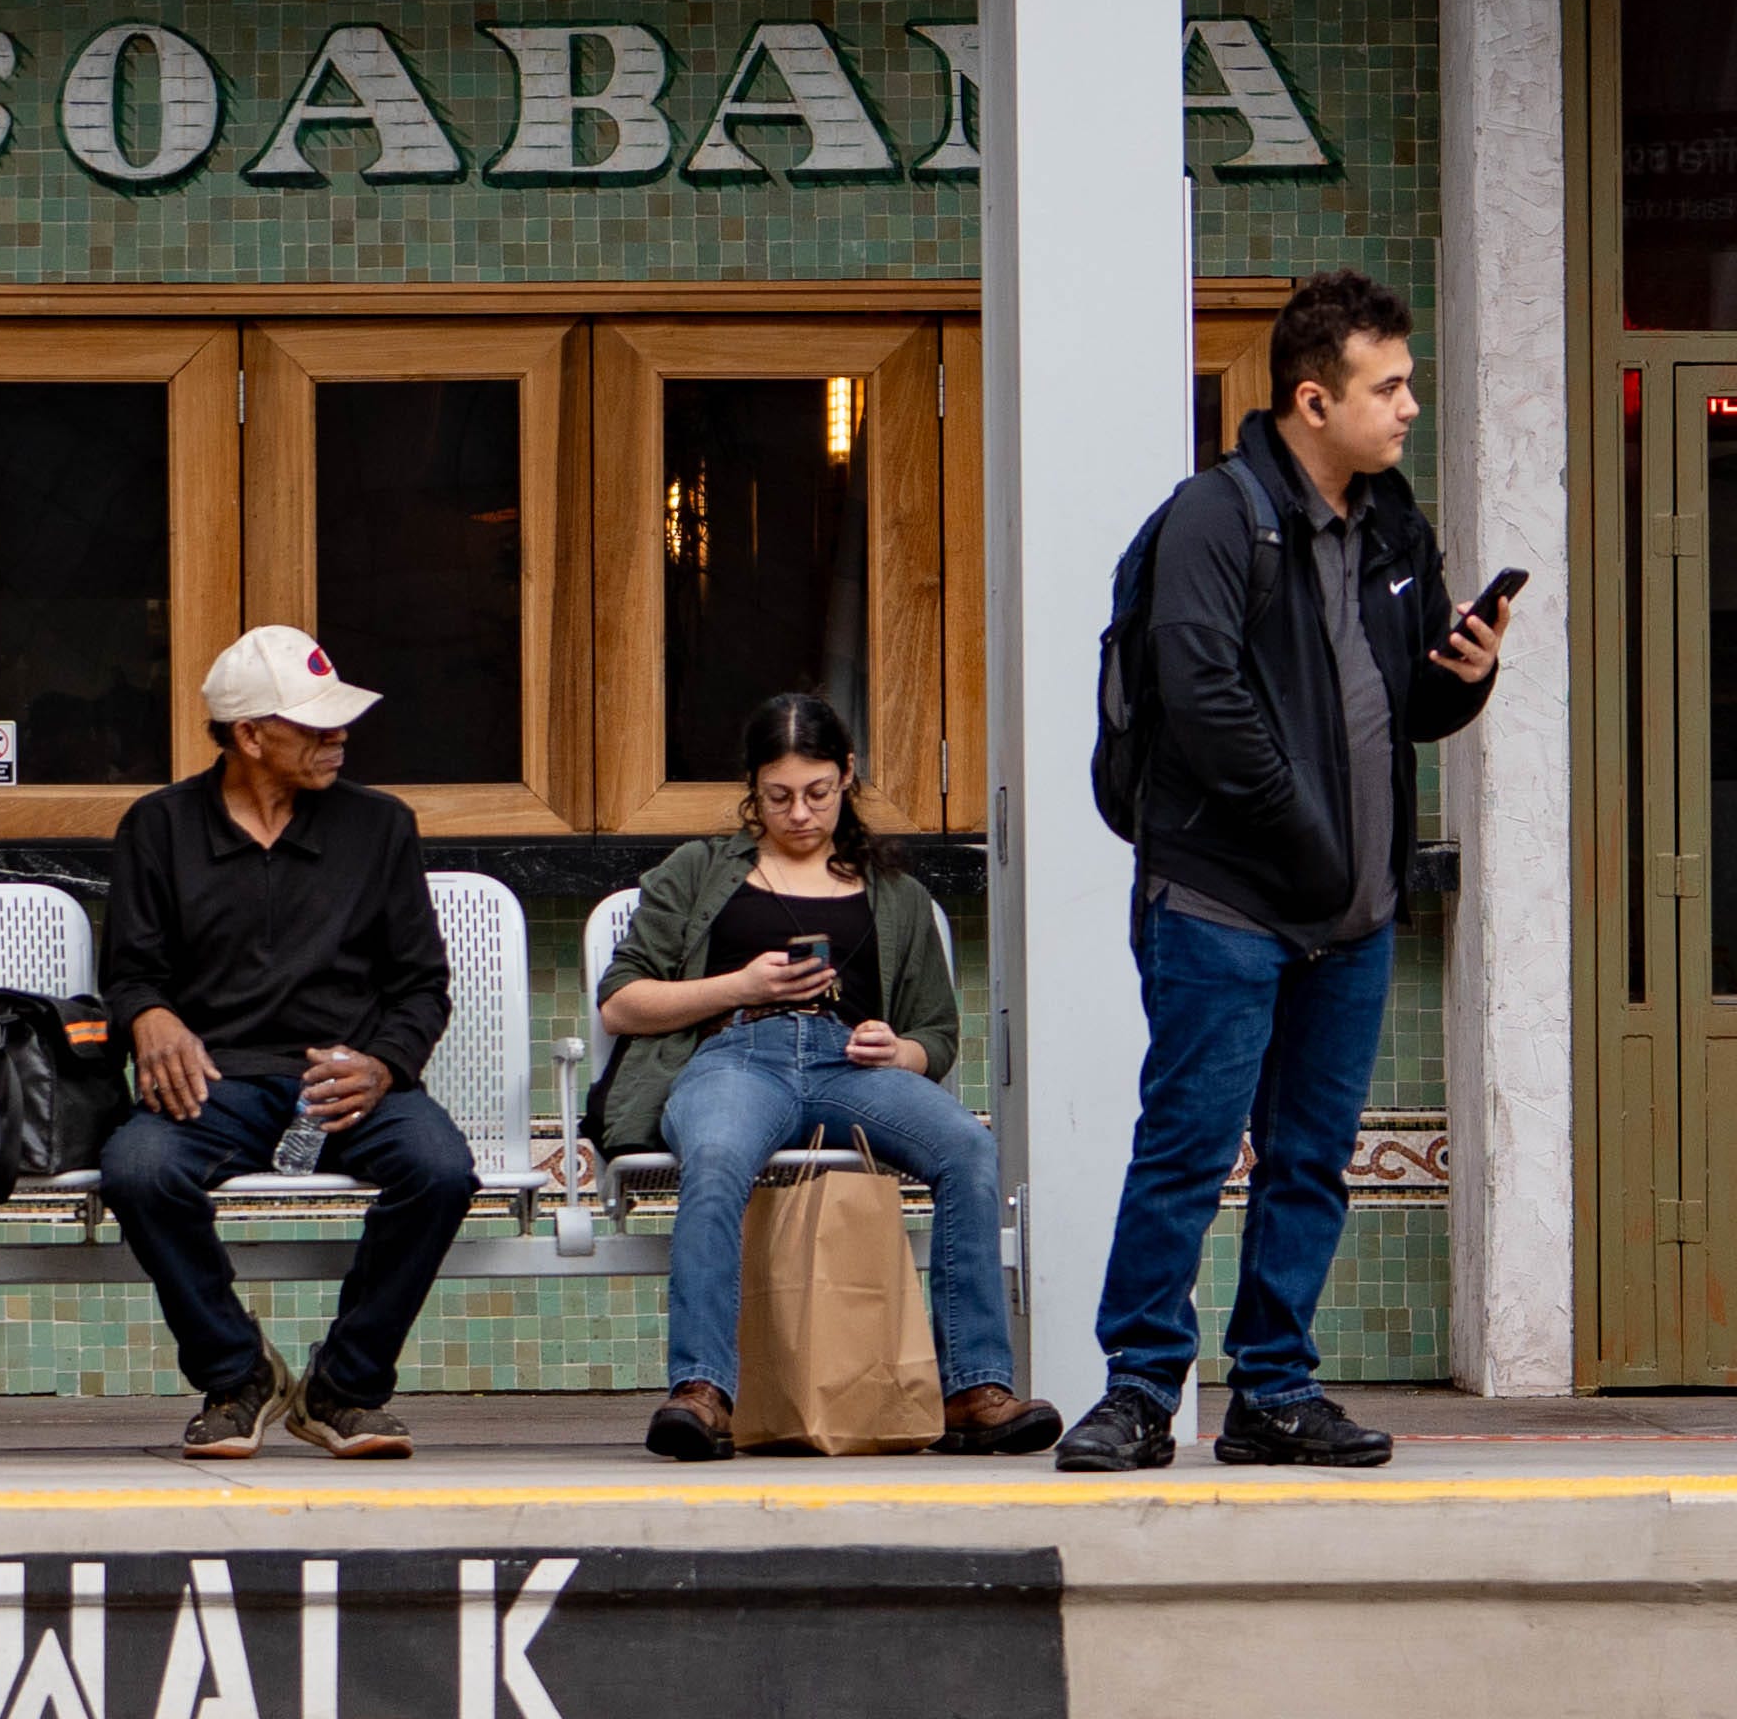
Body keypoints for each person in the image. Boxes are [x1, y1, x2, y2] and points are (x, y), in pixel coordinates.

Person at [1070, 268, 1507, 1474]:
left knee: (1313, 1160)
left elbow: (1397, 708)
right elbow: (1205, 702)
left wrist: (1462, 679)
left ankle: (1272, 1391)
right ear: (1313, 399)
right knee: (1189, 1147)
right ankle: (1140, 1390)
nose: (1410, 405)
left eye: (1408, 382)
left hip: (1352, 913)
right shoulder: (1214, 516)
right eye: (1390, 385)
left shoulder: (1391, 521)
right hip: (1224, 901)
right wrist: (1311, 838)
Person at [603, 690, 1057, 1460]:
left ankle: (973, 1388)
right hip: (735, 1054)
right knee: (714, 1160)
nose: (800, 814)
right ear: (752, 791)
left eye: (817, 793)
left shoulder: (896, 894)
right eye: (778, 797)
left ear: (846, 776)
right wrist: (741, 988)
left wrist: (897, 1050)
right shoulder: (696, 871)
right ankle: (702, 1391)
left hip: (848, 1064)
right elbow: (622, 1001)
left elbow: (935, 1037)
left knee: (968, 1150)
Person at [95, 625, 482, 1460]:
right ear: (249, 735)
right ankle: (236, 1374)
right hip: (216, 1084)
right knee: (136, 1169)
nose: (337, 736)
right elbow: (130, 975)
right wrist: (148, 1018)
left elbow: (419, 985)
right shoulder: (157, 828)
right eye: (312, 724)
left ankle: (344, 1386)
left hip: (343, 1083)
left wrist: (380, 1065)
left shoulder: (379, 828)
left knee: (441, 1170)